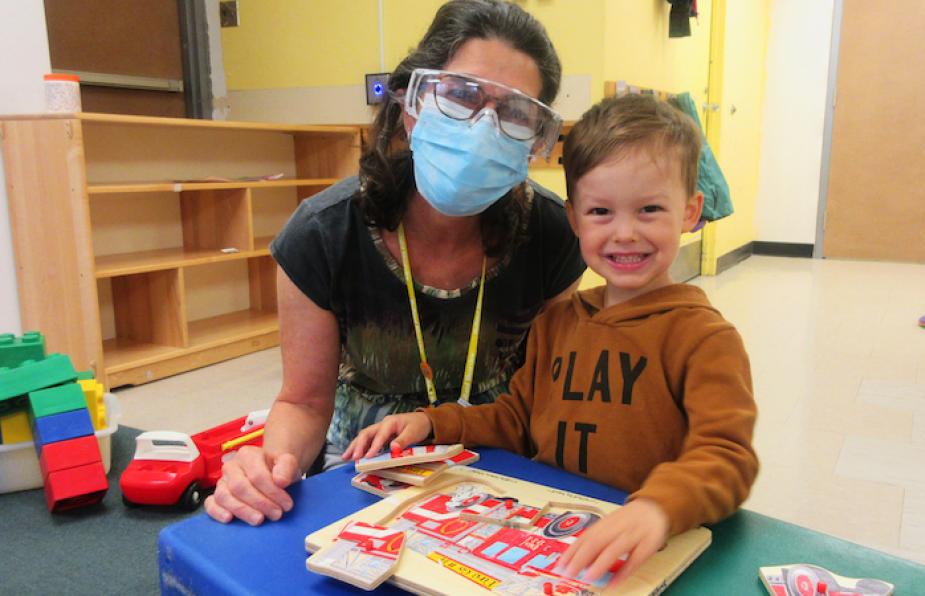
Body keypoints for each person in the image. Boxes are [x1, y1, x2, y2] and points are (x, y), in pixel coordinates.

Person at [347, 94, 759, 585]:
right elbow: (518, 419)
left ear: (691, 212)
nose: (625, 233)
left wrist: (657, 509)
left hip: (644, 554)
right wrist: (432, 422)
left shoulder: (705, 337)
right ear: (573, 219)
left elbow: (728, 456)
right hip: (553, 542)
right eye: (601, 212)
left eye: (650, 209)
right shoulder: (558, 321)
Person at [205, 0, 585, 526]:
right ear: (412, 103)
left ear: (535, 138)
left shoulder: (551, 233)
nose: (483, 128)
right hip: (366, 466)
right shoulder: (323, 234)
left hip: (502, 455)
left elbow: (551, 391)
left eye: (515, 113)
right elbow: (304, 403)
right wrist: (268, 469)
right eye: (460, 95)